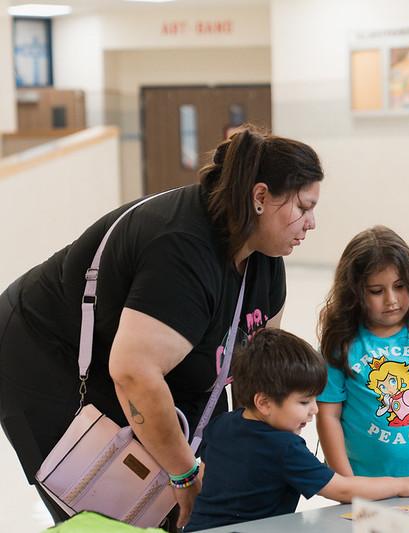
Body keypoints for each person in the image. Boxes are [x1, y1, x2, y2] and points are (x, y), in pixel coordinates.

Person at [0, 125, 323, 529]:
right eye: (304, 208)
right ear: (260, 197)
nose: (312, 223)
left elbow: (261, 370)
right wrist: (184, 474)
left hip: (136, 360)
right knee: (125, 504)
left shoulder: (265, 259)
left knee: (198, 495)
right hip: (47, 354)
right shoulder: (182, 248)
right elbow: (134, 374)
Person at [184, 328, 409, 532]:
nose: (314, 410)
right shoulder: (284, 448)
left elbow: (207, 476)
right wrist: (400, 486)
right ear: (263, 402)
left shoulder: (223, 424)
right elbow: (342, 489)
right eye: (304, 402)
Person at [316, 226, 409, 482]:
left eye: (400, 286)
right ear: (354, 293)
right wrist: (345, 481)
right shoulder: (342, 342)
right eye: (376, 291)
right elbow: (328, 415)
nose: (391, 299)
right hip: (366, 487)